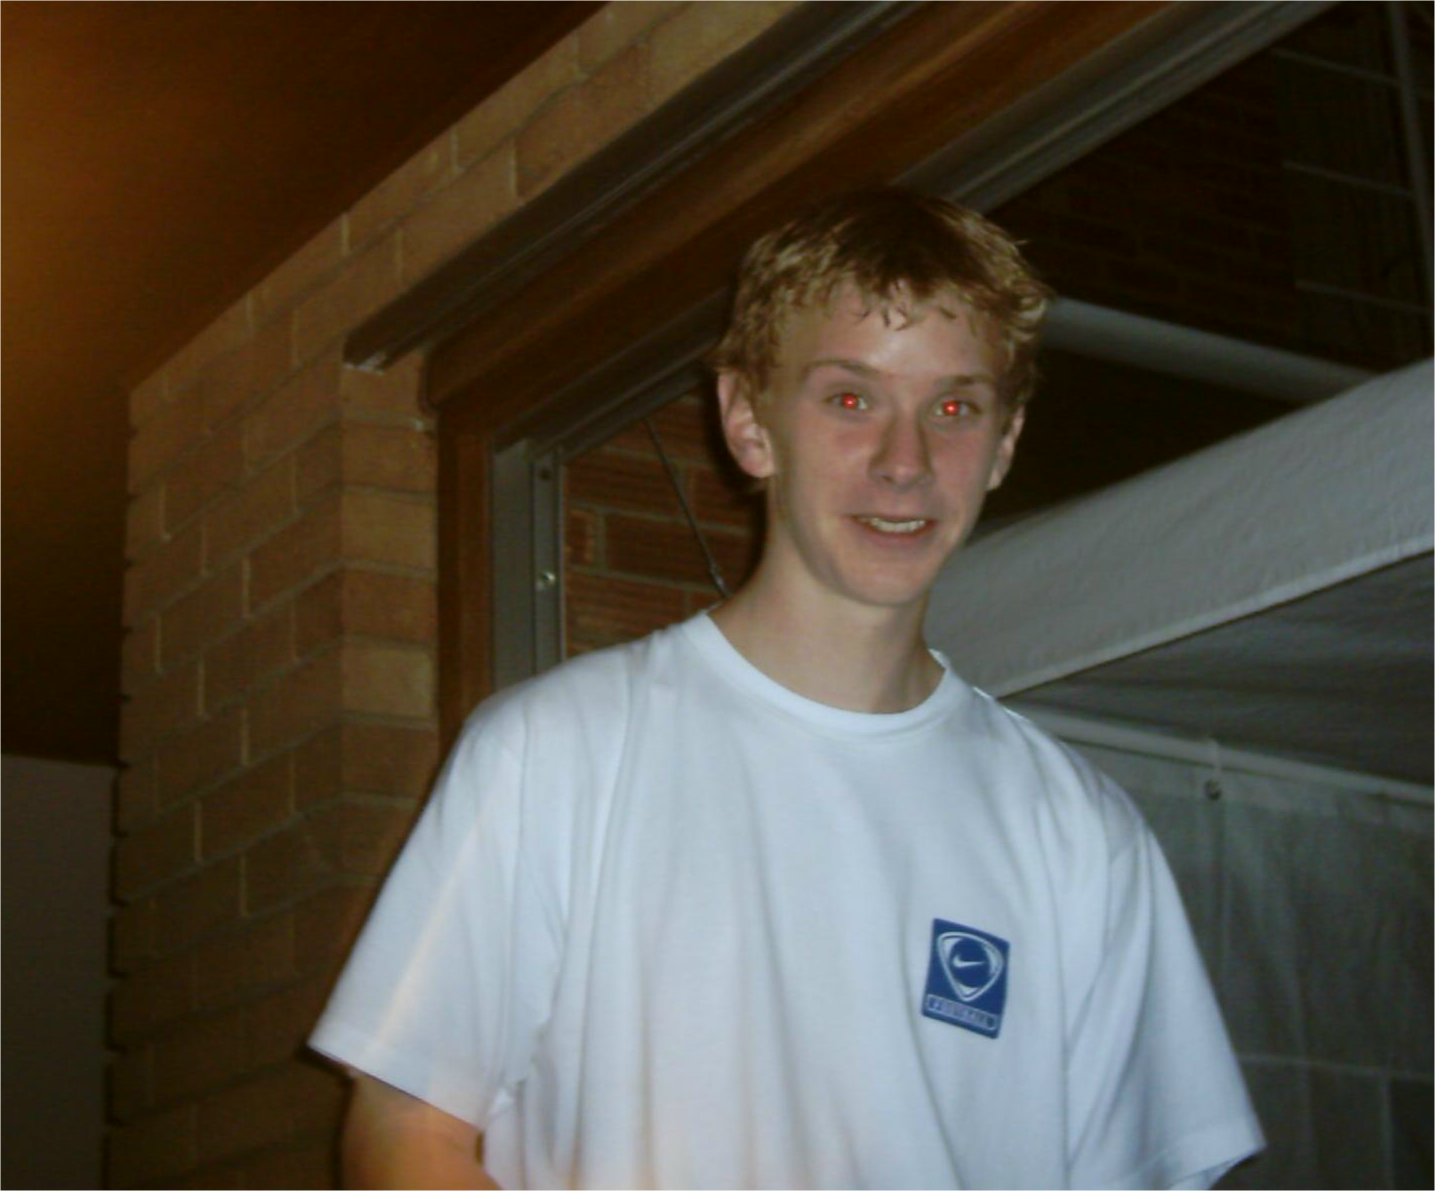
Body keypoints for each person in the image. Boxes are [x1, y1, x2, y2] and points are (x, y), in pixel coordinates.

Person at [310, 189, 1264, 1188]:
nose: (904, 463)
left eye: (953, 408)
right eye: (850, 399)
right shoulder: (557, 750)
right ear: (747, 421)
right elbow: (407, 1127)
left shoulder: (1078, 831)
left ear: (1004, 443)